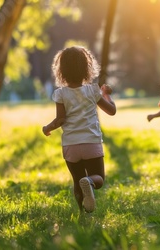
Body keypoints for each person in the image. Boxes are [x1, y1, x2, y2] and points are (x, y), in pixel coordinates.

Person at [42, 46, 116, 213]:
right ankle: (89, 182)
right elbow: (111, 110)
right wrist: (105, 94)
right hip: (91, 142)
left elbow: (60, 119)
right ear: (87, 68)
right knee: (98, 178)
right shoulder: (93, 90)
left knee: (77, 181)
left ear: (61, 71)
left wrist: (47, 127)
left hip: (70, 145)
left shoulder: (60, 94)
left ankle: (83, 214)